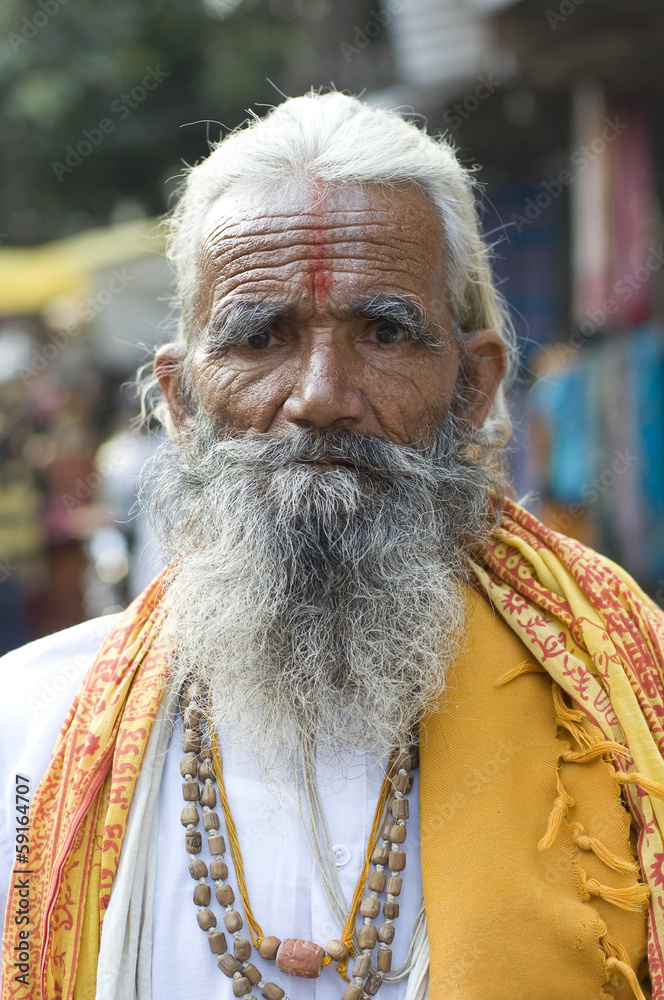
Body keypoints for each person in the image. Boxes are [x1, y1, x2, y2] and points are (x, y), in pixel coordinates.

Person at [1, 92, 663, 1000]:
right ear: (184, 403)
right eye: (259, 336)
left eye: (384, 332)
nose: (321, 394)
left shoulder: (630, 716)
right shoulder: (26, 740)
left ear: (473, 387)